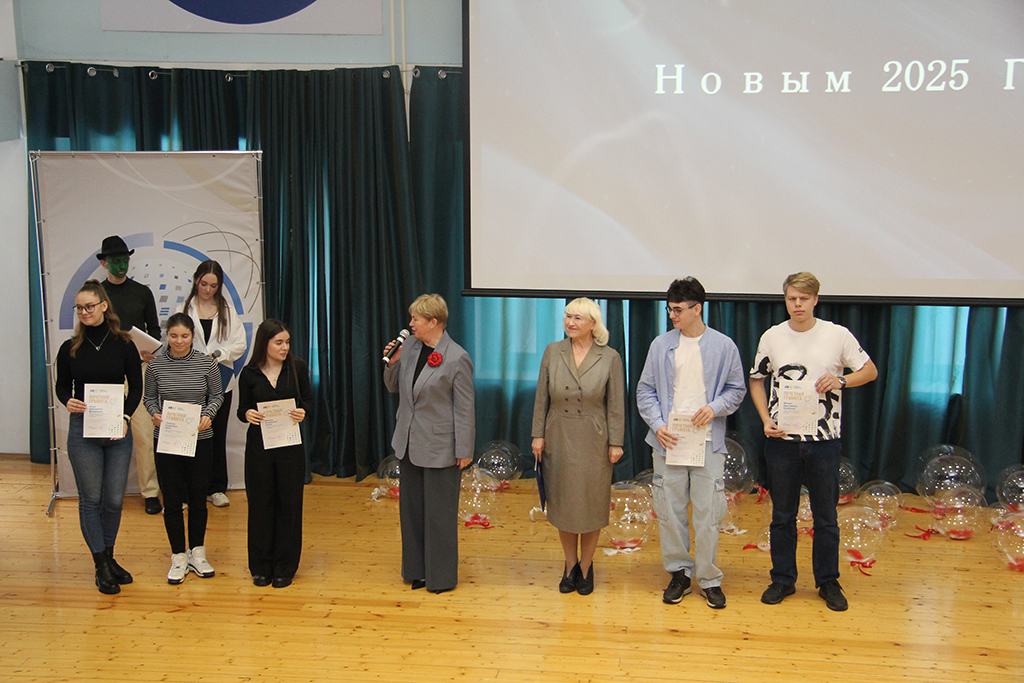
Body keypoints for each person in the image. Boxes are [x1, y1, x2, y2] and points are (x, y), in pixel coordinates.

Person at [749, 272, 878, 612]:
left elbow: (870, 371)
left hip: (824, 441)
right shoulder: (772, 336)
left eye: (804, 299)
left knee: (826, 517)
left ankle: (828, 581)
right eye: (792, 299)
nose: (797, 305)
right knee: (782, 515)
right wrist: (765, 419)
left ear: (815, 300)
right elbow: (756, 380)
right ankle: (782, 579)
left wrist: (841, 381)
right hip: (782, 441)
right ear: (785, 300)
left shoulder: (837, 334)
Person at [636, 278, 746, 609]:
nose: (673, 315)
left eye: (678, 310)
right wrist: (658, 425)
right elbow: (645, 390)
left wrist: (715, 407)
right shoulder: (660, 345)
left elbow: (737, 390)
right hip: (668, 441)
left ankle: (710, 579)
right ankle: (680, 574)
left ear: (697, 309)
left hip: (708, 442)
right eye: (669, 309)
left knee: (708, 513)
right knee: (669, 512)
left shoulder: (724, 346)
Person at [55, 280, 143, 595]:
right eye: (79, 308)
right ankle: (101, 564)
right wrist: (67, 401)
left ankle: (108, 556)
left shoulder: (124, 344)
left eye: (89, 306)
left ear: (104, 306)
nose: (84, 312)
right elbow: (62, 385)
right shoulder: (70, 348)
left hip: (117, 428)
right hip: (83, 429)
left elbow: (136, 386)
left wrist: (126, 417)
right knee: (91, 499)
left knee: (114, 500)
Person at [532, 298, 625, 595]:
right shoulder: (552, 351)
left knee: (591, 503)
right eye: (567, 316)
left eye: (577, 318)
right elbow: (541, 397)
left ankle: (586, 567)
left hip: (594, 439)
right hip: (558, 435)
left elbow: (616, 404)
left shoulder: (610, 357)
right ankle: (569, 565)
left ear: (593, 324)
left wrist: (616, 442)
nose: (570, 323)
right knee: (563, 503)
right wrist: (537, 435)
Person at [383, 294, 475, 594]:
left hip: (441, 447)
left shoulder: (457, 357)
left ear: (433, 322)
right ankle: (417, 571)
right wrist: (392, 364)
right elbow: (394, 387)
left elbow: (465, 408)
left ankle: (441, 577)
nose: (410, 324)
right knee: (411, 513)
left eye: (416, 319)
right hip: (409, 443)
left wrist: (464, 449)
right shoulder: (410, 346)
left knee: (439, 517)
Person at [144, 312, 224, 585]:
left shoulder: (207, 364)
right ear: (167, 336)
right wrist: (154, 413)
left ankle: (198, 553)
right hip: (167, 439)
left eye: (185, 336)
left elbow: (217, 395)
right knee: (172, 500)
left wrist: (208, 415)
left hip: (200, 439)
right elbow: (149, 398)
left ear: (193, 336)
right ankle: (178, 555)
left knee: (199, 498)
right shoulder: (155, 366)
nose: (179, 341)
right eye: (174, 336)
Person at [236, 319, 313, 588]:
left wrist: (303, 412)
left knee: (289, 505)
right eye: (278, 342)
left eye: (287, 342)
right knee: (260, 504)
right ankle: (261, 566)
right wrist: (248, 413)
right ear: (264, 343)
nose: (285, 347)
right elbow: (241, 409)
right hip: (259, 448)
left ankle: (285, 566)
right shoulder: (249, 374)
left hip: (290, 447)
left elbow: (308, 401)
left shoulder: (297, 368)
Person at [97, 235, 163, 515]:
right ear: (104, 263)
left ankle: (150, 492)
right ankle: (107, 493)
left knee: (145, 435)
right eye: (115, 260)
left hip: (139, 370)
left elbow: (154, 329)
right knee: (105, 435)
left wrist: (151, 350)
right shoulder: (97, 295)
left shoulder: (142, 292)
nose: (121, 265)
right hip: (107, 373)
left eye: (125, 259)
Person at [178, 260, 247, 508]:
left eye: (213, 285)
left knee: (216, 434)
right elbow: (173, 340)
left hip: (220, 381)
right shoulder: (183, 309)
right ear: (196, 281)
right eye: (204, 284)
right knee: (189, 434)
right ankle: (188, 491)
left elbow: (240, 344)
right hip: (190, 381)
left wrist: (220, 354)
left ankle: (216, 488)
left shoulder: (227, 310)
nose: (208, 290)